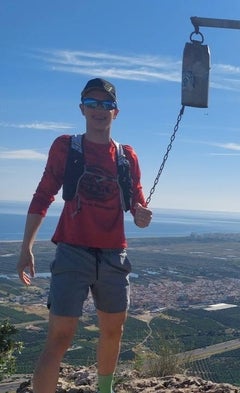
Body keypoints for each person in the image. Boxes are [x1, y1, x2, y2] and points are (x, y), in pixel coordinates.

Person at [16, 78, 153, 393]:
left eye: (106, 105)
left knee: (113, 332)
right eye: (92, 104)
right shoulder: (66, 147)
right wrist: (26, 247)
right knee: (61, 336)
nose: (99, 110)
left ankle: (104, 390)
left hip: (113, 255)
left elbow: (136, 203)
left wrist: (142, 215)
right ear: (82, 109)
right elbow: (43, 196)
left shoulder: (126, 156)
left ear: (115, 112)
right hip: (72, 250)